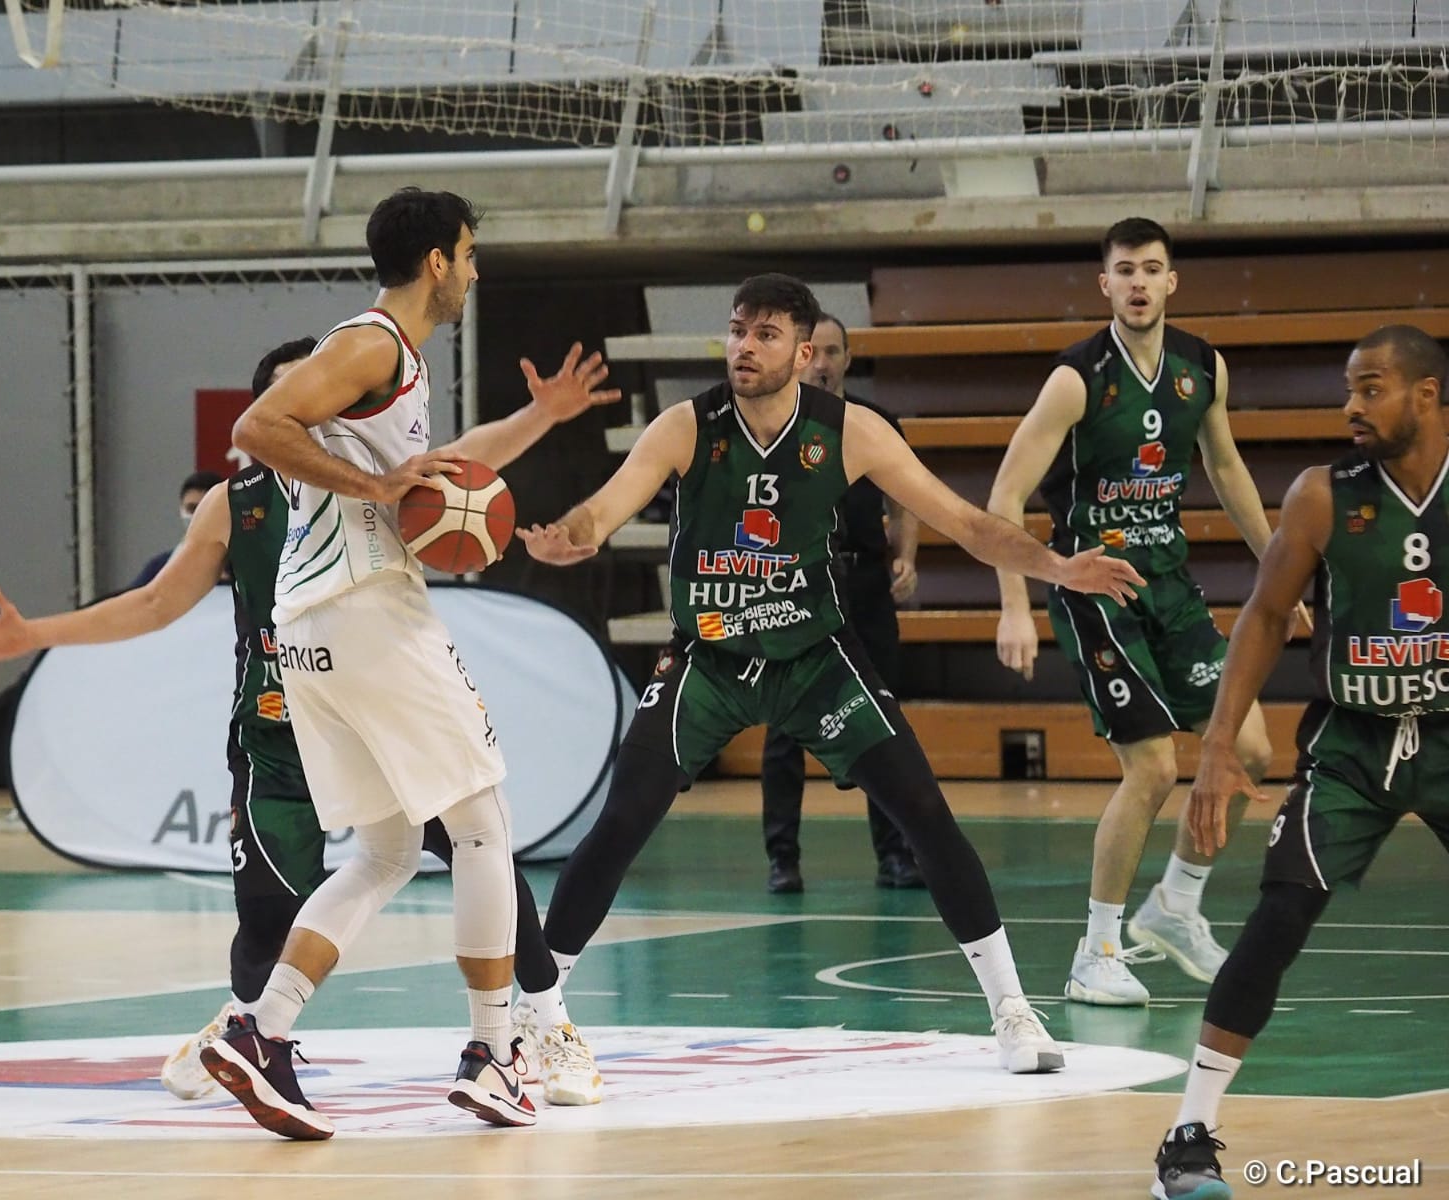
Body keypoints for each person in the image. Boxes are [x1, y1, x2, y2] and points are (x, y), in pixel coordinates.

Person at [0, 336, 604, 1114]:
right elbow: (156, 603)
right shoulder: (235, 500)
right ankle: (257, 1021)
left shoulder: (373, 479)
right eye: (299, 400)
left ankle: (542, 1020)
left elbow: (469, 459)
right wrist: (33, 634)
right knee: (272, 918)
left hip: (373, 712)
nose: (319, 412)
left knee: (476, 844)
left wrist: (541, 415)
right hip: (277, 733)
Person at [520, 273, 1146, 1076]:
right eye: (738, 329)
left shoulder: (850, 431)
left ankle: (1012, 1011)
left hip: (814, 658)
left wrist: (1057, 567)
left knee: (924, 811)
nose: (744, 346)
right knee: (622, 822)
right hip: (710, 659)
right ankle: (537, 1017)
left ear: (804, 351)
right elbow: (603, 510)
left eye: (766, 334)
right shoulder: (688, 426)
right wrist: (571, 535)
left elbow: (964, 522)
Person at [217, 187, 619, 1138]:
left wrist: (493, 441)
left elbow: (438, 464)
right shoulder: (372, 343)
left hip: (310, 628)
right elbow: (256, 430)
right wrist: (377, 483)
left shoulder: (390, 363)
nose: (475, 272)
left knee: (390, 849)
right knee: (483, 827)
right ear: (437, 260)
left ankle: (261, 1033)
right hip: (364, 611)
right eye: (470, 254)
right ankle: (497, 1051)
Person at [1150, 324, 1449, 1198]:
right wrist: (1214, 747)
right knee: (1279, 919)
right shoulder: (1324, 495)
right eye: (1350, 389)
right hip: (1351, 744)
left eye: (1373, 387)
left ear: (1427, 396)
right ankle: (1187, 1138)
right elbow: (1265, 615)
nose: (1352, 405)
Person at [988, 216, 1289, 1007]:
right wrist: (1014, 605)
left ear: (1172, 280)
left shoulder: (1201, 366)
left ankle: (1176, 904)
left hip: (1171, 582)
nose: (1139, 284)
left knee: (1250, 747)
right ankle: (1096, 951)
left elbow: (1225, 467)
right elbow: (1006, 496)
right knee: (1154, 766)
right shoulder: (1075, 378)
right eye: (1125, 271)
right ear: (1106, 284)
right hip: (1097, 588)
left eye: (1152, 269)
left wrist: (1279, 568)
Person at [760, 312, 923, 893]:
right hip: (796, 589)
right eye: (815, 352)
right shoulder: (769, 425)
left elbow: (905, 503)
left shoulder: (878, 423)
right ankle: (783, 858)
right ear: (799, 358)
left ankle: (896, 855)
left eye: (834, 352)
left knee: (880, 719)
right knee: (785, 725)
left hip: (865, 584)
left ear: (848, 359)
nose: (824, 363)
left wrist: (905, 557)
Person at [131, 471, 226, 588]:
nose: (197, 516)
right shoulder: (161, 568)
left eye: (205, 509)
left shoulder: (243, 568)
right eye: (192, 508)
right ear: (181, 509)